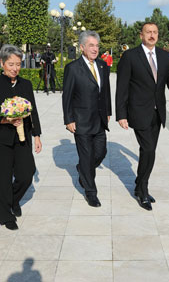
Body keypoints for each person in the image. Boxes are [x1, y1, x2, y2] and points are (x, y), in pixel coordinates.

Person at [116, 22, 169, 211]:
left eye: (155, 32)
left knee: (148, 152)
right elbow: (122, 87)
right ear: (141, 35)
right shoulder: (130, 56)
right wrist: (121, 114)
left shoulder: (165, 56)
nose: (152, 35)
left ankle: (140, 184)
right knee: (148, 150)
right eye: (148, 32)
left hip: (158, 113)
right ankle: (142, 191)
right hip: (138, 112)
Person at [0, 45, 42, 231]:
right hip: (0, 139)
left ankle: (14, 200)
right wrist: (5, 120)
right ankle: (5, 215)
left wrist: (37, 135)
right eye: (11, 64)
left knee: (26, 174)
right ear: (2, 63)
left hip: (22, 138)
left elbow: (33, 111)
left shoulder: (26, 85)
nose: (15, 68)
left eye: (18, 64)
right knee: (1, 179)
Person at [63, 31, 111, 207]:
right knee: (87, 155)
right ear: (82, 47)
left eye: (97, 45)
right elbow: (66, 96)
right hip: (81, 121)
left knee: (101, 152)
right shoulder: (73, 68)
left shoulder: (103, 66)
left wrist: (108, 112)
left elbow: (105, 92)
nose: (95, 49)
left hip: (99, 120)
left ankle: (83, 170)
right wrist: (68, 119)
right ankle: (91, 192)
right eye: (91, 45)